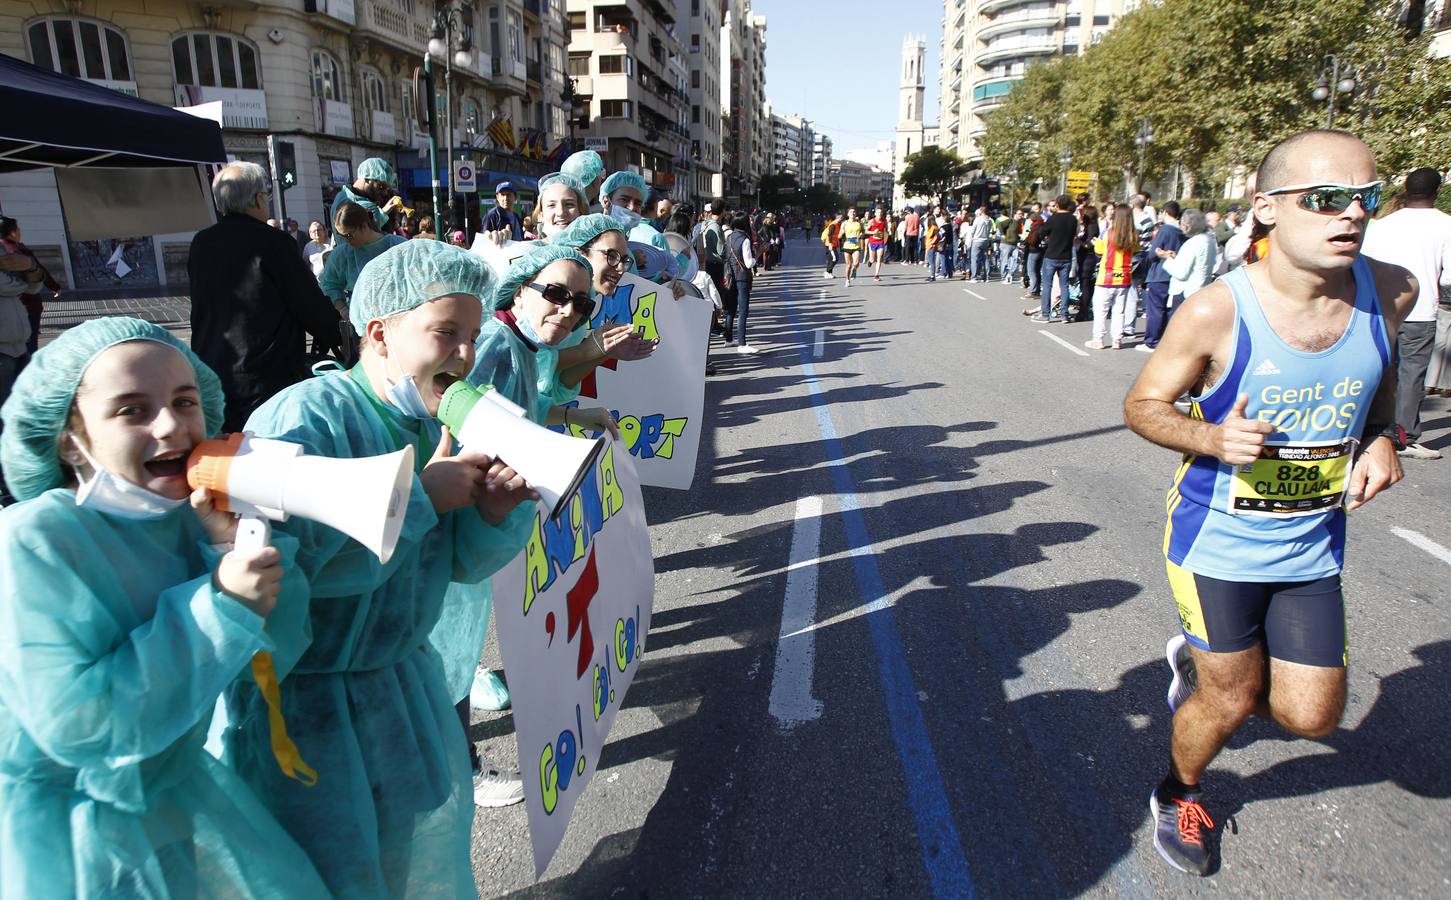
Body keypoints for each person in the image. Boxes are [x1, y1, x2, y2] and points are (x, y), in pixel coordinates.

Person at [1122, 129, 1417, 877]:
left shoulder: (1392, 291)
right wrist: (1212, 438)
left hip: (1313, 546)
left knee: (1310, 716)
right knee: (1229, 700)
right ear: (1267, 208)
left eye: (1364, 198)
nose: (1349, 215)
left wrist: (1382, 437)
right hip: (1215, 542)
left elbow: (1379, 386)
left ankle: (1199, 669)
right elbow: (1142, 406)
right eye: (1324, 199)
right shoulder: (1217, 312)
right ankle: (1179, 789)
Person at [225, 240, 537, 896]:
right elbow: (279, 580)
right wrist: (419, 497)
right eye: (444, 333)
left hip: (397, 693)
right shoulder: (306, 418)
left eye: (472, 337)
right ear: (379, 332)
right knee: (329, 876)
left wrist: (492, 513)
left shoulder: (425, 423)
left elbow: (451, 566)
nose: (462, 355)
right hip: (307, 714)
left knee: (402, 866)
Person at [0, 317, 330, 899]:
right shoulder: (35, 540)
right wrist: (219, 606)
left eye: (184, 400)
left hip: (172, 799)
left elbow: (274, 655)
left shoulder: (186, 523)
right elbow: (79, 725)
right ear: (68, 435)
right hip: (74, 842)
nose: (172, 426)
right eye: (131, 410)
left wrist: (232, 546)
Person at [431, 243, 619, 807]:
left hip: (476, 518)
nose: (567, 312)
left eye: (581, 305)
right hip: (456, 518)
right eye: (556, 295)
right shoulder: (495, 344)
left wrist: (568, 413)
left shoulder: (524, 342)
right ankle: (459, 771)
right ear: (520, 290)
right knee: (447, 652)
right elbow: (477, 430)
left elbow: (522, 410)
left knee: (456, 651)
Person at [189, 162, 341, 431]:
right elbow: (307, 304)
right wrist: (334, 333)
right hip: (265, 375)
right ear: (258, 198)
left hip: (212, 369)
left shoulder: (201, 242)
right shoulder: (274, 241)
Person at [1361, 166, 1451, 460]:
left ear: (1405, 190)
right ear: (1436, 192)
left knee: (1379, 368)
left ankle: (1371, 428)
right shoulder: (1445, 225)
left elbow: (1366, 264)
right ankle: (1405, 435)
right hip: (1421, 309)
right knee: (1412, 374)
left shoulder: (1383, 224)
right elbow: (1449, 277)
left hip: (1381, 306)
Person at [319, 202, 409, 320]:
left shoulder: (398, 245)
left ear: (364, 225)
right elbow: (329, 284)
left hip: (399, 318)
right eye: (342, 236)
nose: (346, 240)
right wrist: (342, 308)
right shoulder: (342, 254)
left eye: (349, 235)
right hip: (362, 322)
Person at [0, 216, 59, 366]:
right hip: (22, 314)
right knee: (30, 347)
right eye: (17, 229)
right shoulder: (14, 251)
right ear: (11, 232)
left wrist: (32, 268)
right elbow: (18, 285)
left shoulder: (18, 249)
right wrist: (51, 285)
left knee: (28, 347)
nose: (20, 232)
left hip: (17, 328)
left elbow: (34, 281)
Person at [1086, 206, 1139, 349]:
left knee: (1101, 310)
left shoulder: (1108, 233)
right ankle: (1117, 339)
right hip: (1124, 277)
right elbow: (1136, 249)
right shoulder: (1133, 235)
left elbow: (1100, 251)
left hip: (1106, 276)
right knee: (1119, 311)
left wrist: (1096, 243)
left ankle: (1098, 339)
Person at [1160, 208, 1219, 332]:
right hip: (1201, 289)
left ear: (1187, 226)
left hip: (1185, 292)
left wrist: (1167, 258)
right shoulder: (1209, 240)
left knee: (1179, 331)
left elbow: (1181, 273)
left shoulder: (1192, 243)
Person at [1141, 201, 1186, 351]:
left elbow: (1153, 253)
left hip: (1159, 274)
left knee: (1155, 309)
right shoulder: (1183, 232)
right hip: (1174, 275)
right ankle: (1163, 339)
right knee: (1167, 309)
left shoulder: (1165, 230)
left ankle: (1151, 341)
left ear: (1165, 212)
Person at [1033, 195, 1078, 324]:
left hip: (1051, 255)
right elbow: (1074, 235)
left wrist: (1048, 237)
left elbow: (1042, 232)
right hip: (1067, 256)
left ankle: (1045, 314)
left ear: (1057, 205)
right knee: (1064, 286)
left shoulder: (1053, 219)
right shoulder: (1073, 220)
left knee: (1047, 285)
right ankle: (1064, 315)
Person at [329, 157, 402, 233]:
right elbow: (368, 237)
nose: (385, 193)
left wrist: (382, 213)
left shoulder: (344, 196)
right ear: (367, 178)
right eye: (381, 186)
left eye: (387, 189)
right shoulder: (348, 202)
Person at [722, 212, 758, 353]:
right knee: (743, 310)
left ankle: (729, 339)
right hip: (742, 277)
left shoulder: (729, 237)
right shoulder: (745, 239)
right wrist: (757, 257)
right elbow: (749, 263)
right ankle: (742, 344)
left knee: (730, 309)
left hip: (730, 275)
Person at [535, 172, 589, 241]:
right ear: (541, 213)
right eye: (551, 205)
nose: (561, 213)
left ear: (581, 210)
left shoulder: (598, 250)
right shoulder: (529, 251)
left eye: (569, 204)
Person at [839, 208, 865, 287]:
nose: (852, 213)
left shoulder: (859, 223)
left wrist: (861, 235)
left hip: (856, 246)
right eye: (851, 212)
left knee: (856, 262)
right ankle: (847, 279)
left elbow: (863, 232)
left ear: (855, 214)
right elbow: (839, 236)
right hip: (847, 245)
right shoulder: (844, 223)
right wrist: (842, 233)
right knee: (848, 265)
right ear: (848, 214)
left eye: (854, 212)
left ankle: (854, 270)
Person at [969, 206, 993, 282]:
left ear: (981, 211)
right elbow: (989, 230)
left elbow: (973, 230)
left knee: (975, 259)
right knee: (986, 259)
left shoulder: (978, 219)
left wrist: (972, 237)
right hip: (985, 240)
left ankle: (974, 277)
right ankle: (987, 277)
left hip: (977, 240)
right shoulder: (989, 220)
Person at [865, 207, 888, 283]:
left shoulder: (884, 221)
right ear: (875, 214)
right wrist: (873, 233)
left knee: (879, 257)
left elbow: (886, 230)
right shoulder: (871, 221)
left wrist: (886, 235)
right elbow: (866, 231)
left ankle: (876, 275)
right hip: (872, 242)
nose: (879, 214)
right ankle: (870, 261)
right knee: (872, 259)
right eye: (878, 212)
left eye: (881, 212)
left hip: (880, 242)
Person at [820, 212, 843, 278]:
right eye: (840, 217)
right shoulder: (833, 225)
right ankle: (827, 272)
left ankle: (829, 273)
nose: (841, 219)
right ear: (837, 218)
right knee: (835, 258)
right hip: (830, 244)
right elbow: (829, 235)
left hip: (834, 244)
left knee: (831, 259)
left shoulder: (837, 225)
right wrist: (830, 244)